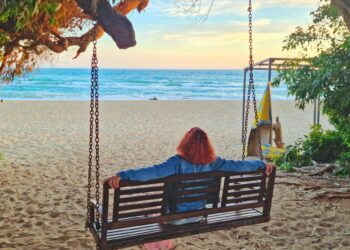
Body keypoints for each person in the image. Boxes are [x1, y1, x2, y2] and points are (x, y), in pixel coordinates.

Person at [104, 127, 275, 250]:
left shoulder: (176, 162)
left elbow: (152, 172)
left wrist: (123, 175)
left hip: (174, 219)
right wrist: (261, 164)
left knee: (147, 213)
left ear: (185, 143)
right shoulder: (214, 162)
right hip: (197, 216)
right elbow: (239, 166)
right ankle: (166, 246)